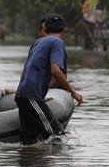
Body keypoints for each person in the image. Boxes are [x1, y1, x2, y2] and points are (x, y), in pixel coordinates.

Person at [15, 14, 83, 145]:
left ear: (46, 27)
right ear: (65, 29)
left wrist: (40, 95)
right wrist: (73, 92)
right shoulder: (57, 42)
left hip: (22, 95)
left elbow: (30, 71)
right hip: (31, 96)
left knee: (30, 142)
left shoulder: (37, 42)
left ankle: (31, 163)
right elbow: (55, 70)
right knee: (59, 137)